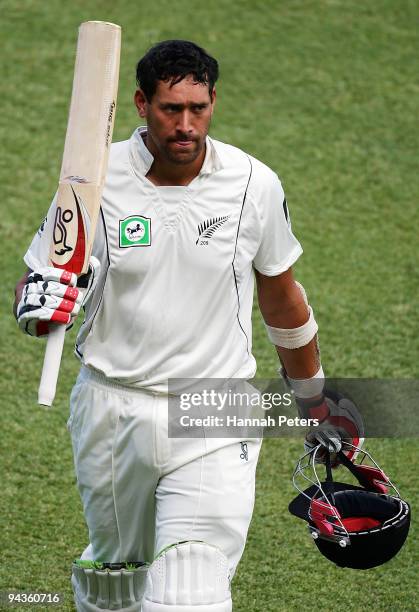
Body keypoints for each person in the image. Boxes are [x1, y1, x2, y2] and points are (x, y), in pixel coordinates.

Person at [14, 40, 361, 612]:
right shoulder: (91, 182)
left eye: (197, 109)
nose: (185, 125)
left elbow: (282, 301)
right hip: (110, 405)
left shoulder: (253, 184)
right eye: (170, 109)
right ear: (139, 104)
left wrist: (313, 397)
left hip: (214, 406)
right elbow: (41, 285)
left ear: (213, 102)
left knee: (189, 588)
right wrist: (40, 306)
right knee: (115, 581)